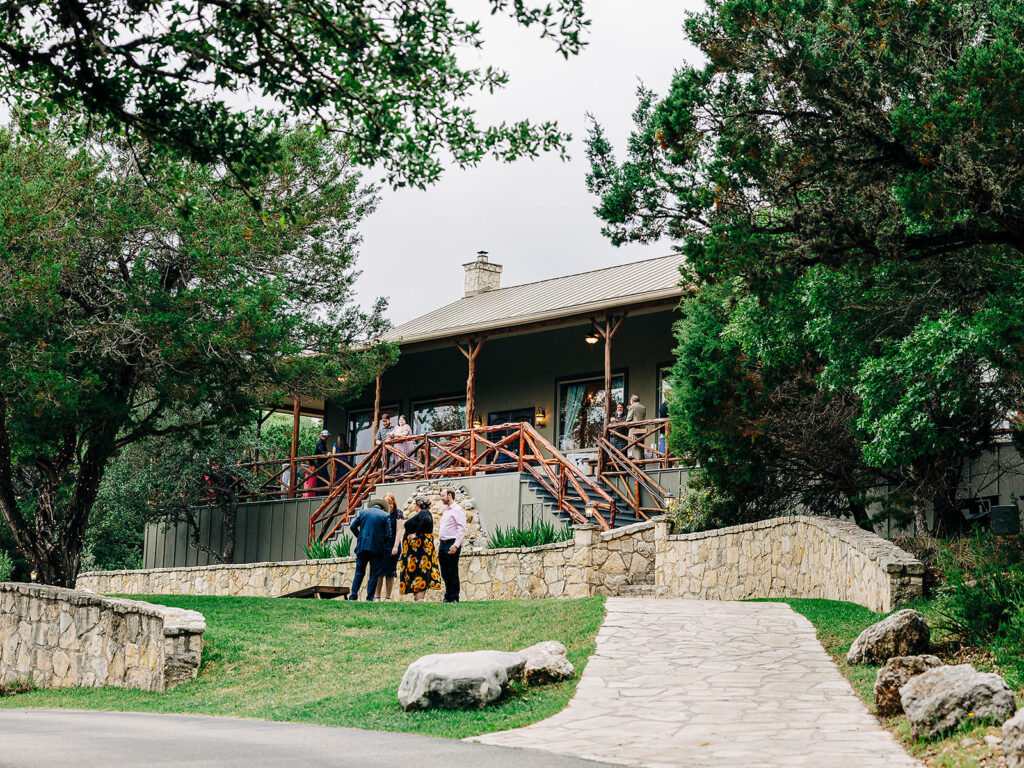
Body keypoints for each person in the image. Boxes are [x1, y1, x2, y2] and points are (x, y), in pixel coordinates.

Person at [396, 497, 442, 602]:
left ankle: (420, 598)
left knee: (421, 570)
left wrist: (416, 534)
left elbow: (426, 520)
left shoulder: (424, 513)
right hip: (416, 551)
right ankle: (417, 597)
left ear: (418, 505)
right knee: (418, 570)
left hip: (420, 550)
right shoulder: (424, 513)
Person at [347, 498, 393, 601]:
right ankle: (370, 597)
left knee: (359, 572)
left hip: (362, 547)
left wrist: (359, 537)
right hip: (377, 549)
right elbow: (388, 534)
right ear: (383, 508)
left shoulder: (363, 512)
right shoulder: (385, 516)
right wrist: (381, 543)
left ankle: (353, 596)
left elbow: (352, 526)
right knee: (374, 574)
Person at [438, 487, 466, 603]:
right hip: (442, 544)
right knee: (444, 572)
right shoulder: (446, 511)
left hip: (452, 543)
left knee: (452, 571)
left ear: (449, 495)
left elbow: (461, 528)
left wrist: (456, 545)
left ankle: (454, 597)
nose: (441, 498)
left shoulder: (458, 510)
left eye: (443, 495)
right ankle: (448, 596)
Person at [374, 493, 402, 601]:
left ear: (393, 502)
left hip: (393, 544)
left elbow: (399, 531)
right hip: (381, 545)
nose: (389, 505)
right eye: (386, 502)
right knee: (379, 571)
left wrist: (395, 546)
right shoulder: (381, 513)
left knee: (390, 571)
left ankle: (388, 597)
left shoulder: (398, 513)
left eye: (390, 502)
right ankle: (377, 597)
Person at [626, 394, 647, 462]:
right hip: (642, 429)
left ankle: (638, 463)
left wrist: (629, 409)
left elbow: (628, 419)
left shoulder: (632, 407)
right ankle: (642, 464)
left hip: (635, 430)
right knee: (641, 447)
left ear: (632, 401)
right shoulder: (643, 407)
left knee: (636, 447)